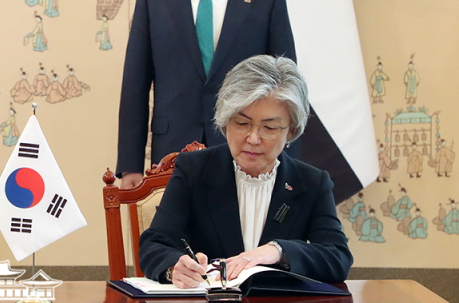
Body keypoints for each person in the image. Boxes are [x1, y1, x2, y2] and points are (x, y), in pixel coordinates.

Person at [117, 0, 296, 183]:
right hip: (170, 153)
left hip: (250, 151)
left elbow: (288, 90)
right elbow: (134, 87)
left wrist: (289, 164)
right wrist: (131, 165)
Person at [139, 56, 352, 287]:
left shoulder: (311, 182)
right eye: (241, 124)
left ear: (290, 131)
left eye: (269, 127)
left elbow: (337, 258)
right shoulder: (194, 170)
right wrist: (174, 268)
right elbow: (155, 244)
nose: (252, 139)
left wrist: (277, 251)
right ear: (225, 119)